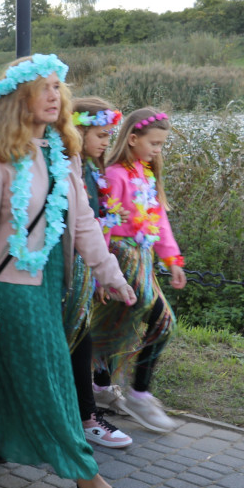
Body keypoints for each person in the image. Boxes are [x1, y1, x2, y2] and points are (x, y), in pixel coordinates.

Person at [0, 54, 140, 488]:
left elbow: (82, 221)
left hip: (48, 282)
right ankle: (88, 479)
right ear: (19, 98)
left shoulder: (62, 154)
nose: (55, 96)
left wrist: (110, 275)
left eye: (59, 86)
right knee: (49, 376)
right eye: (44, 87)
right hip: (10, 287)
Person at [87, 107, 186, 433]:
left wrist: (172, 260)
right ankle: (138, 393)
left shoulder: (145, 174)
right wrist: (101, 274)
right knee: (162, 321)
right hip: (120, 261)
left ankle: (101, 388)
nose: (158, 150)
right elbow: (103, 225)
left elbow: (159, 222)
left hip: (142, 262)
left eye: (161, 144)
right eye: (154, 143)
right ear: (132, 138)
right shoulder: (115, 175)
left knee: (113, 325)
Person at [64, 98, 133, 448]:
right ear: (78, 131)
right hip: (70, 272)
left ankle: (87, 408)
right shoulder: (71, 168)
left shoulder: (91, 169)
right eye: (102, 135)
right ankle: (85, 415)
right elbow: (78, 225)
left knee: (82, 339)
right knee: (79, 340)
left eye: (111, 135)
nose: (108, 142)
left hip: (86, 269)